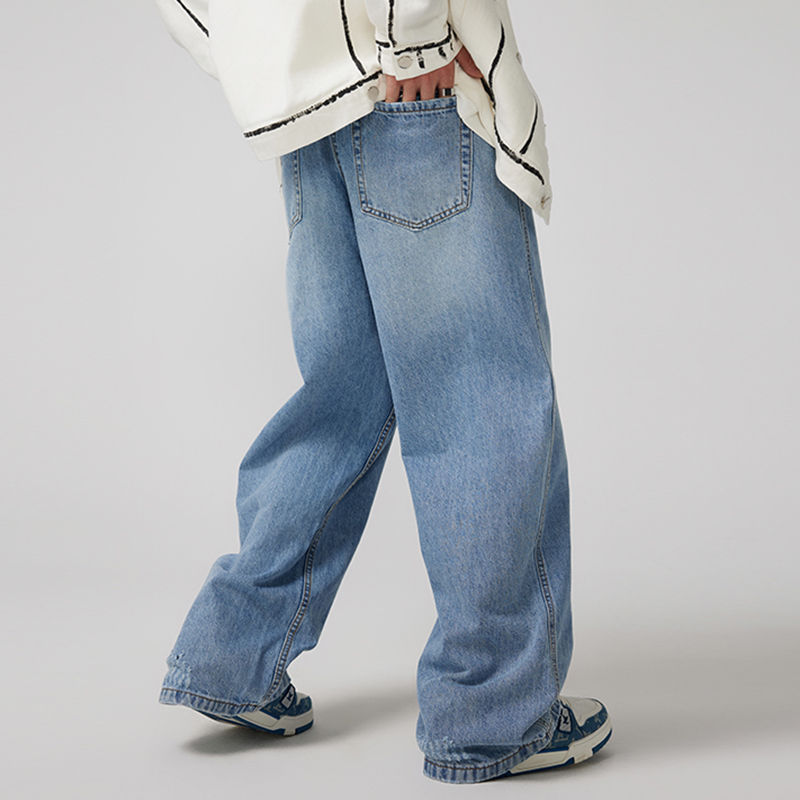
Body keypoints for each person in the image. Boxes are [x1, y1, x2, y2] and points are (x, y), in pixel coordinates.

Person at [153, 0, 611, 784]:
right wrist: (415, 37)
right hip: (409, 81)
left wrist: (258, 63)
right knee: (477, 398)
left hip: (305, 108)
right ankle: (493, 714)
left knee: (342, 398)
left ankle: (232, 657)